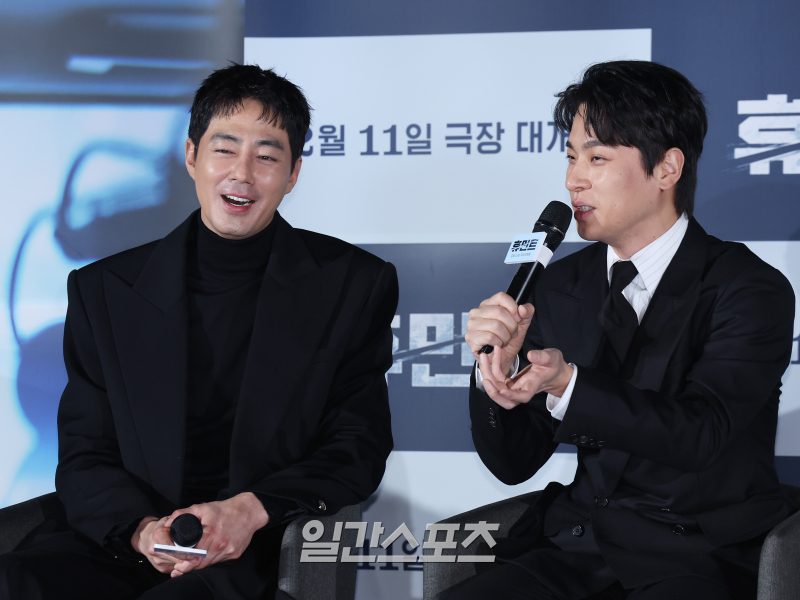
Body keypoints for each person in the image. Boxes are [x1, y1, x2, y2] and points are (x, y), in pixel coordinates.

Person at [0, 64, 397, 599]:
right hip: (125, 540)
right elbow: (84, 452)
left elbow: (357, 447)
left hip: (253, 544)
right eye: (224, 149)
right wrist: (143, 532)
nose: (242, 174)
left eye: (267, 156)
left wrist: (248, 511)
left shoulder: (352, 285)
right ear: (191, 156)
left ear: (293, 173)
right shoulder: (104, 290)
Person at [460, 60, 795, 600]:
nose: (574, 179)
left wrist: (568, 385)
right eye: (571, 157)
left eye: (597, 158)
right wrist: (495, 375)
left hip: (693, 557)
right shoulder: (558, 283)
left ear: (666, 168)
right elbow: (513, 464)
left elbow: (701, 433)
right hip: (574, 550)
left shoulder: (748, 287)